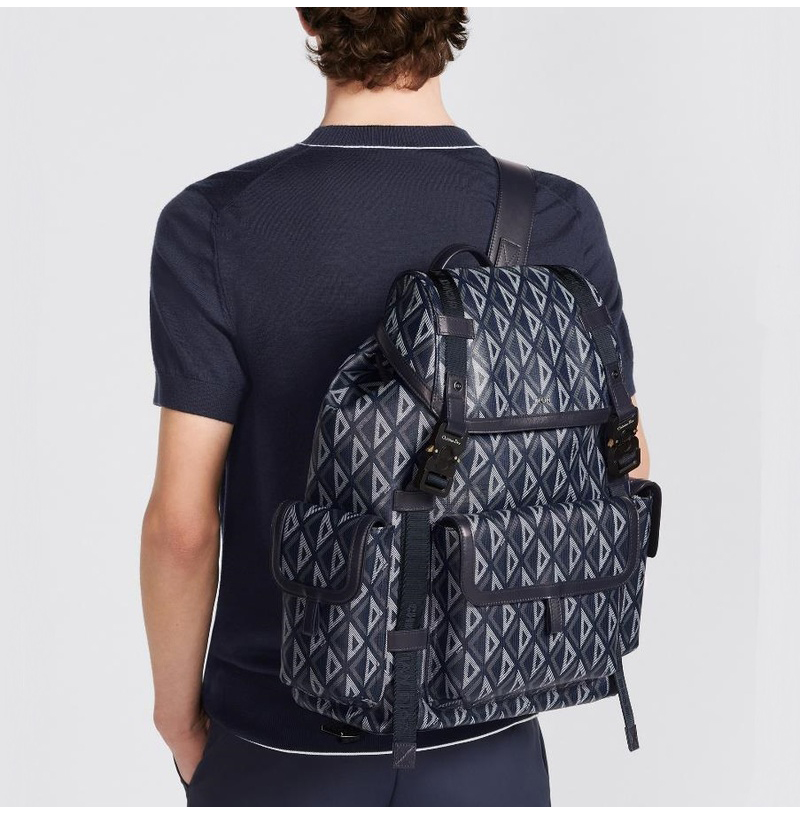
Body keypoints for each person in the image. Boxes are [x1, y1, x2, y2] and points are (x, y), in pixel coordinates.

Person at [141, 7, 651, 807]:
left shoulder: (213, 223)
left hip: (279, 744)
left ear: (309, 16)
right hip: (491, 736)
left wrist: (178, 723)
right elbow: (628, 468)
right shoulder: (558, 214)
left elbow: (182, 527)